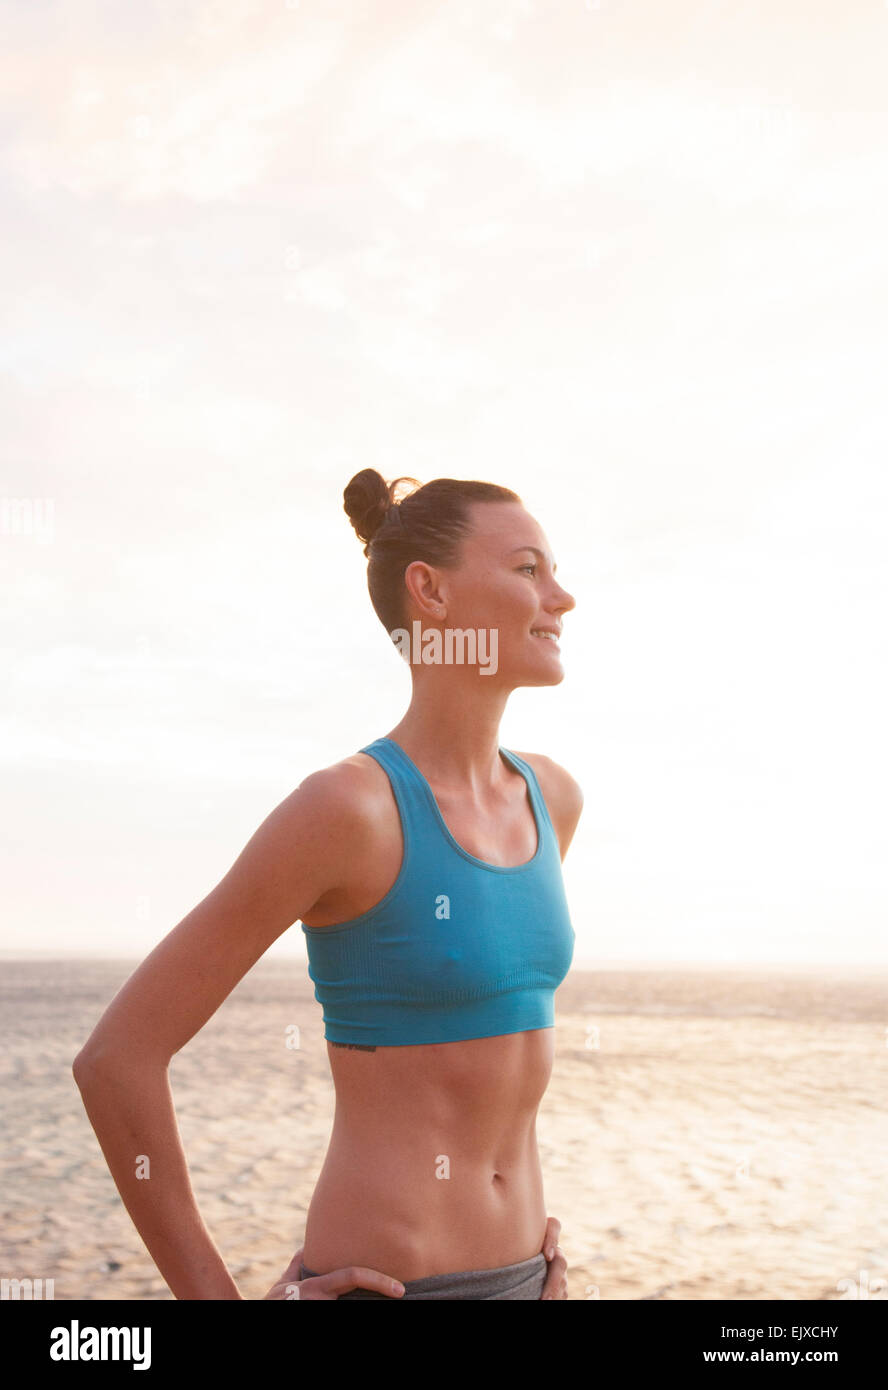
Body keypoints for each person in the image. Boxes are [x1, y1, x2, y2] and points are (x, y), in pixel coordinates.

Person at [73, 470, 582, 1300]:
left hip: (533, 1280)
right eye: (529, 570)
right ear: (430, 591)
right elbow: (117, 1059)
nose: (561, 597)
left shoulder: (552, 800)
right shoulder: (348, 810)